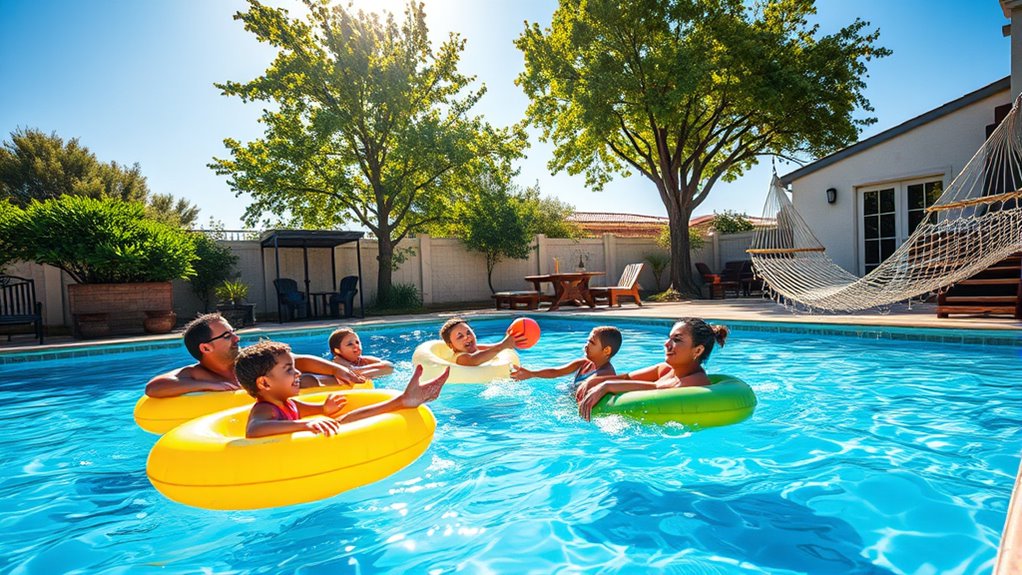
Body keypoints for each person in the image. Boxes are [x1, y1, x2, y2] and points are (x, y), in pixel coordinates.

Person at [236, 340, 449, 438]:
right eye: (289, 370)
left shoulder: (285, 403)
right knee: (342, 423)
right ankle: (402, 401)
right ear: (264, 383)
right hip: (279, 461)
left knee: (343, 419)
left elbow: (306, 409)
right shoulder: (265, 410)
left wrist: (323, 408)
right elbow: (254, 430)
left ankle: (403, 401)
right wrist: (305, 425)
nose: (298, 373)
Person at [144, 313, 365, 398]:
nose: (236, 338)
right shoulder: (196, 375)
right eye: (227, 335)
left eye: (234, 332)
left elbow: (300, 360)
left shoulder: (247, 361)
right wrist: (205, 386)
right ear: (205, 348)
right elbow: (154, 387)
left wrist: (338, 369)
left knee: (310, 380)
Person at [575, 318, 729, 421]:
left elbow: (656, 388)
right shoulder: (666, 369)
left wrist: (606, 386)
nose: (666, 344)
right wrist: (595, 381)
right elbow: (628, 377)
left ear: (697, 351)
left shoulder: (696, 381)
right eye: (669, 338)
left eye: (677, 340)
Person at [510, 326, 621, 385]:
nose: (586, 346)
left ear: (606, 350)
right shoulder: (583, 364)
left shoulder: (606, 373)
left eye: (592, 343)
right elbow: (556, 372)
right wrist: (531, 374)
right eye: (587, 341)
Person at [439, 317, 528, 366]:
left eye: (468, 332)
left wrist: (509, 341)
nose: (467, 337)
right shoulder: (461, 358)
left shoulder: (472, 348)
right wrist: (502, 346)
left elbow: (492, 347)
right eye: (460, 336)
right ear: (451, 345)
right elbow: (475, 360)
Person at [329, 327, 394, 379]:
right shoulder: (337, 361)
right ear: (337, 350)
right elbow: (349, 373)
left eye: (357, 342)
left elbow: (389, 366)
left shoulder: (362, 360)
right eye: (350, 344)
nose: (356, 345)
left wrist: (359, 369)